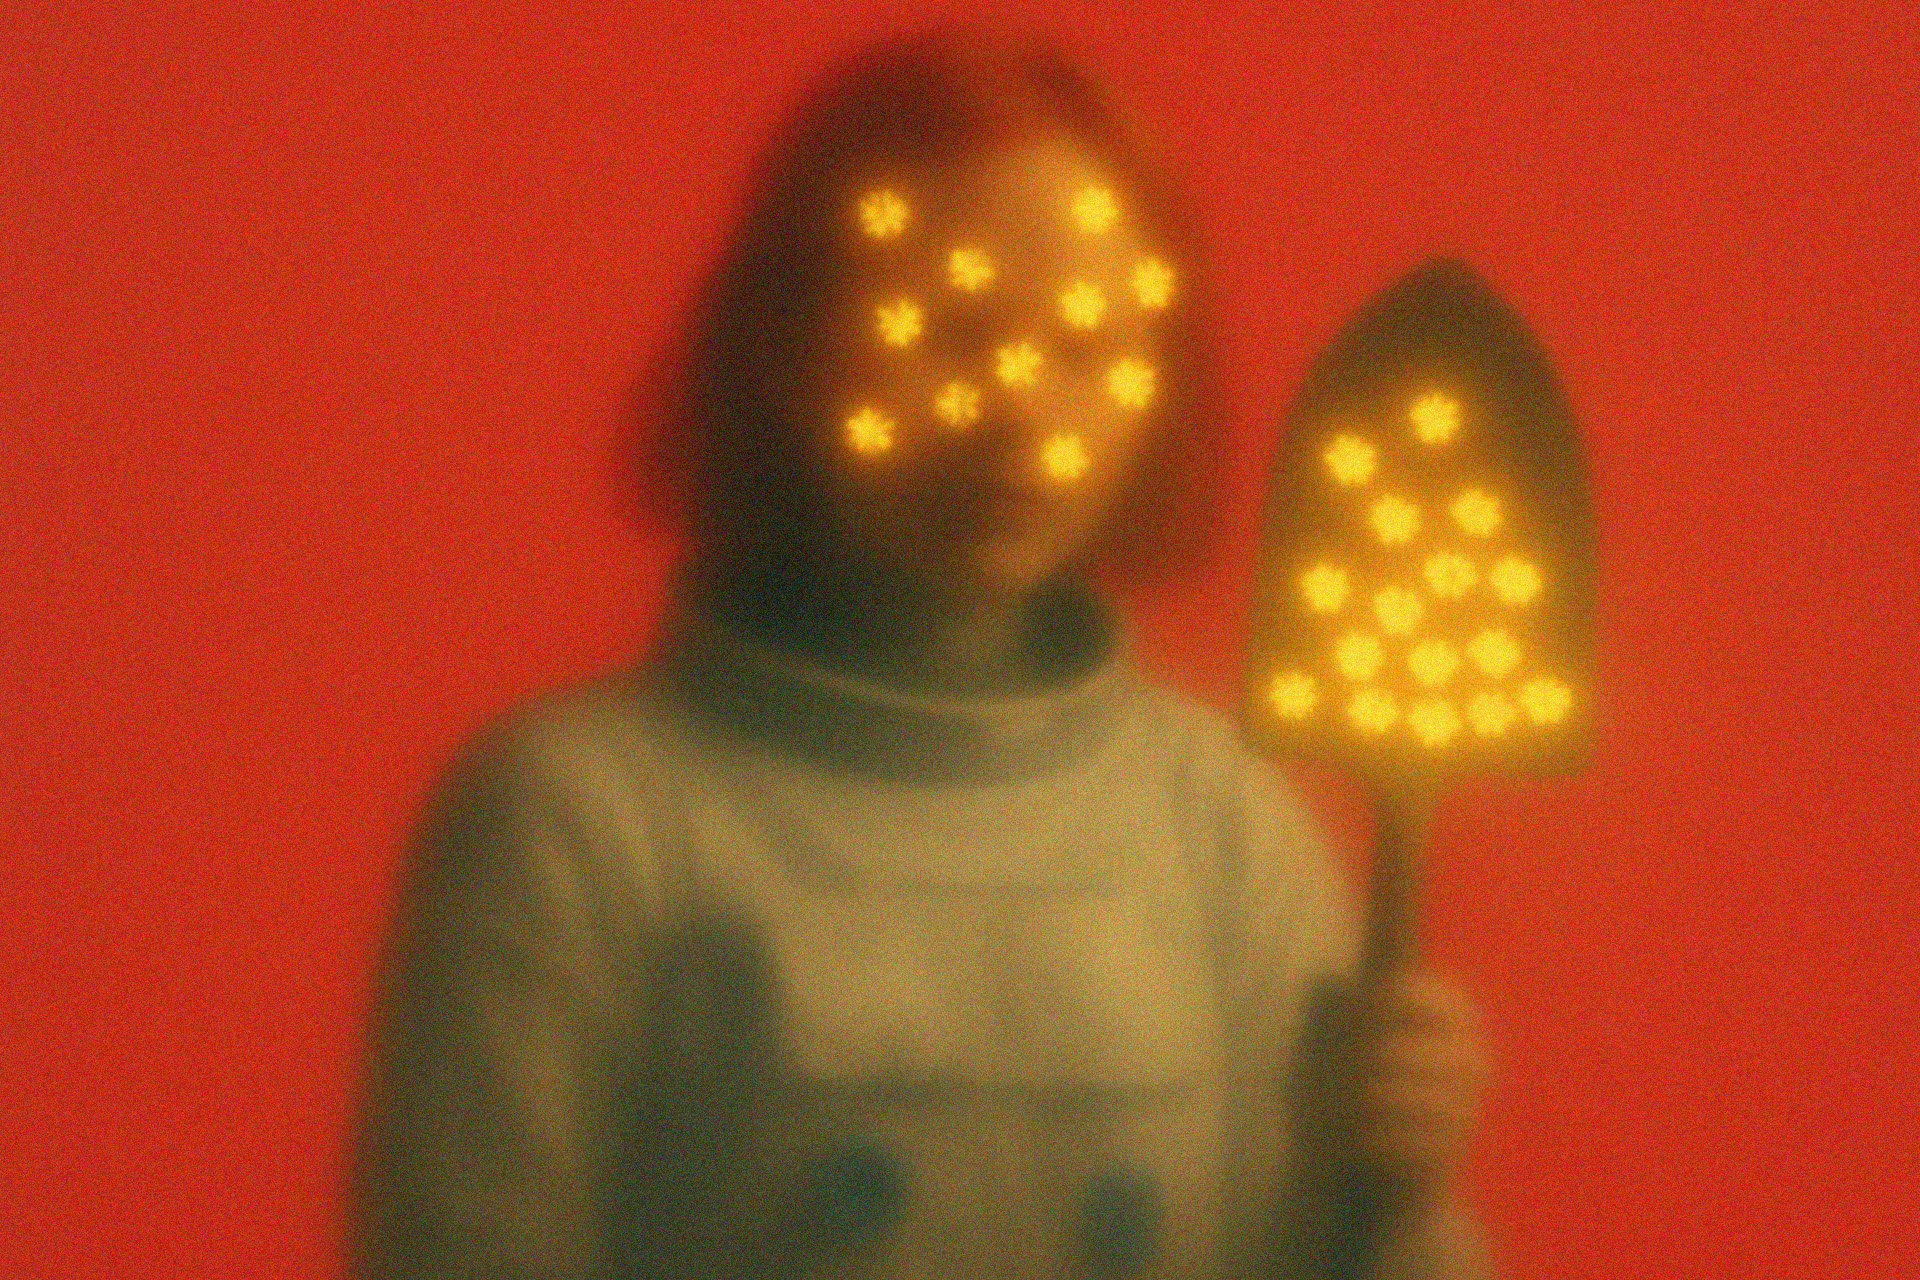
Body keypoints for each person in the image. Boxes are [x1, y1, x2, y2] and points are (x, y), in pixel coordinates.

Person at [353, 29, 1491, 1280]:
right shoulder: (577, 821)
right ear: (790, 347)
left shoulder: (1223, 824)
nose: (1016, 411)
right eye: (946, 328)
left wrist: (1389, 1195)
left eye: (1088, 348)